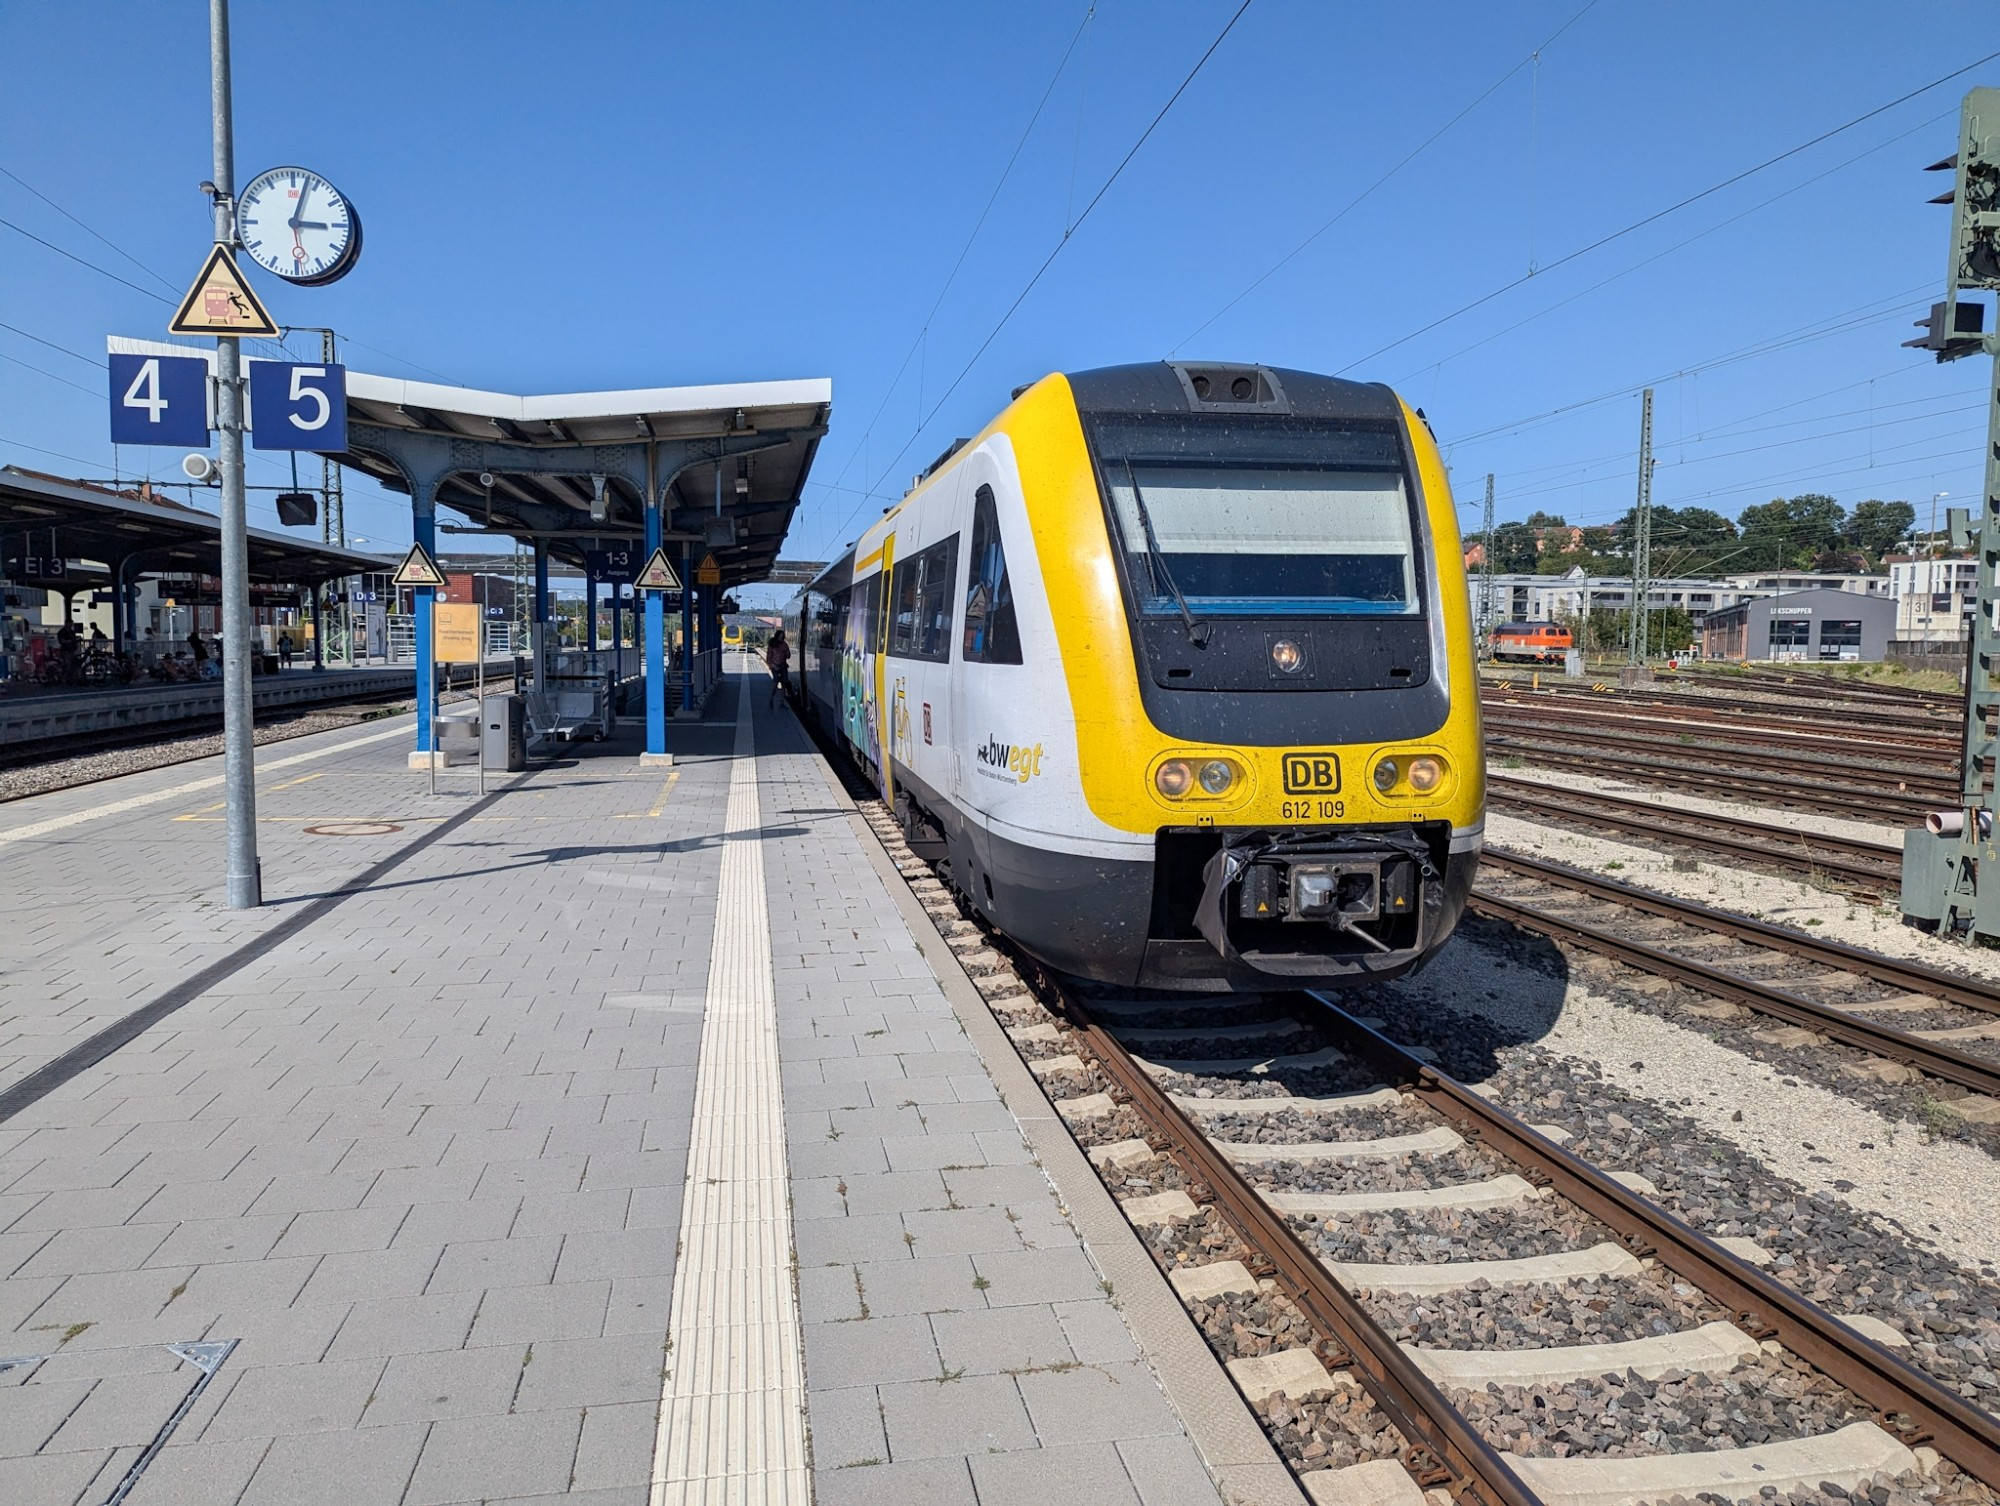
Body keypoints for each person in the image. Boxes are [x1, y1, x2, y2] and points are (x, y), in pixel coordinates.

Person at [765, 628, 791, 708]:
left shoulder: (784, 644)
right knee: (775, 683)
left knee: (784, 683)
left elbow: (788, 656)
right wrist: (772, 665)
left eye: (782, 636)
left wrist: (786, 652)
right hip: (775, 666)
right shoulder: (772, 644)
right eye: (780, 636)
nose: (781, 638)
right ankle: (771, 700)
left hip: (783, 666)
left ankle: (781, 702)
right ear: (777, 636)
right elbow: (768, 657)